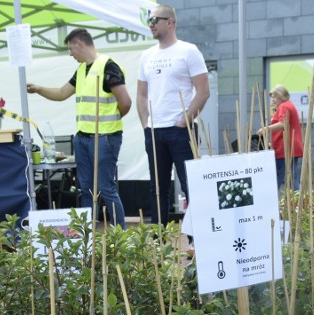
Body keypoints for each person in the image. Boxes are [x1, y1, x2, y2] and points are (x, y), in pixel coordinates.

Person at [27, 28, 131, 228]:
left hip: (105, 137)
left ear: (79, 44)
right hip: (82, 138)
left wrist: (109, 123)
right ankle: (86, 235)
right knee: (85, 189)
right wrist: (39, 89)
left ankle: (121, 234)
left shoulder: (109, 66)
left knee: (105, 188)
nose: (70, 54)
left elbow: (125, 102)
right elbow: (60, 93)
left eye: (69, 49)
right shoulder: (82, 70)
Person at [137, 4, 209, 226]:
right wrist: (146, 125)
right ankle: (159, 242)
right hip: (155, 130)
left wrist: (184, 121)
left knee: (190, 186)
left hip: (181, 130)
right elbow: (141, 94)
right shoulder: (146, 55)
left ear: (170, 22)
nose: (151, 25)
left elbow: (203, 92)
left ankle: (196, 240)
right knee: (157, 189)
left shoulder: (189, 51)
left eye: (155, 20)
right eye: (149, 21)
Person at [258, 84, 303, 191]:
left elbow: (283, 124)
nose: (273, 100)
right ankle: (299, 202)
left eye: (274, 97)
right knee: (292, 177)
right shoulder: (289, 105)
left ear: (280, 96)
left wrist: (265, 129)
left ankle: (273, 203)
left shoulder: (284, 106)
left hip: (285, 148)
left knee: (278, 178)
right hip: (290, 147)